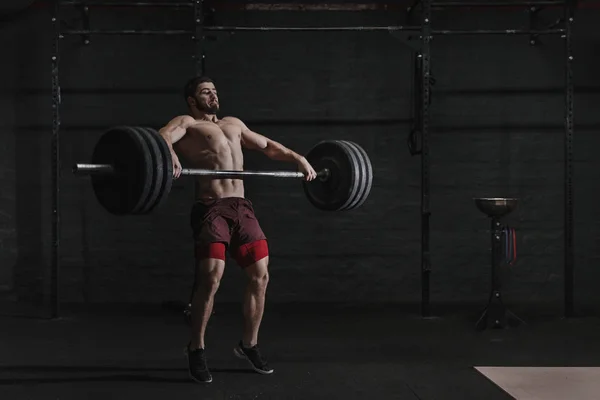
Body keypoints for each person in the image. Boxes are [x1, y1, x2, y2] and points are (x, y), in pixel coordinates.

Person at [158, 76, 317, 384]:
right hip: (210, 207)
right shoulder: (187, 123)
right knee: (211, 277)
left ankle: (249, 344)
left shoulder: (234, 124)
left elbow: (268, 146)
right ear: (192, 100)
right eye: (206, 92)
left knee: (261, 274)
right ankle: (196, 348)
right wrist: (172, 155)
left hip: (242, 208)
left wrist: (298, 158)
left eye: (215, 91)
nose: (213, 95)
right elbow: (162, 138)